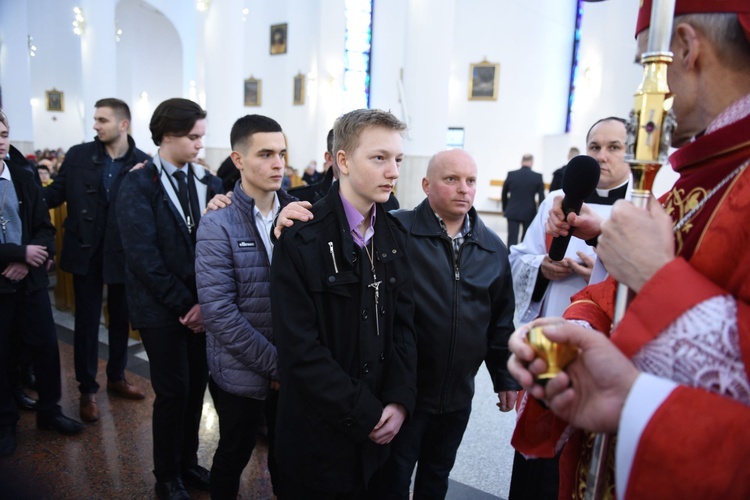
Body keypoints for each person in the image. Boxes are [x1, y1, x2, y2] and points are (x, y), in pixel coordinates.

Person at [509, 2, 750, 498]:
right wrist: (571, 330)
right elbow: (613, 294)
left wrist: (658, 277)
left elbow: (653, 278)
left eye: (646, 64)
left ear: (683, 48)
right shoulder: (701, 177)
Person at [270, 109, 417, 498]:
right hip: (318, 436)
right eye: (380, 158)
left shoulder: (396, 234)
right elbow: (299, 350)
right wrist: (364, 413)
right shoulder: (301, 236)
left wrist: (400, 401)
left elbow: (405, 326)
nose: (393, 172)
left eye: (398, 159)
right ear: (343, 161)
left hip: (382, 434)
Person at [375, 148, 518, 499]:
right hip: (405, 392)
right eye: (451, 179)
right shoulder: (397, 231)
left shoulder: (492, 249)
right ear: (426, 184)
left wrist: (505, 376)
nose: (463, 189)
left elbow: (500, 320)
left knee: (437, 474)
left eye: (470, 181)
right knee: (392, 476)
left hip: (457, 394)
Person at [507, 117, 629, 500]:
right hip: (554, 331)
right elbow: (518, 258)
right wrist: (541, 268)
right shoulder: (555, 202)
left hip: (608, 345)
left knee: (587, 445)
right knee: (540, 441)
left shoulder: (642, 210)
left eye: (614, 147)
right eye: (595, 147)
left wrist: (605, 269)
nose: (603, 156)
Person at [117, 98, 223, 500]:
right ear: (167, 135)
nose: (200, 145)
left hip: (201, 307)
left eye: (202, 136)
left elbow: (216, 245)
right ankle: (166, 476)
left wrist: (206, 304)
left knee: (197, 387)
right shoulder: (139, 182)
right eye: (193, 137)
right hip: (161, 308)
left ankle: (187, 462)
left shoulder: (208, 182)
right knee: (173, 391)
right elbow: (143, 256)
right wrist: (186, 306)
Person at [195, 114, 294, 499]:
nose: (277, 164)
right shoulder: (218, 222)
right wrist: (276, 365)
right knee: (234, 452)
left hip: (290, 365)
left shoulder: (300, 211)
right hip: (240, 369)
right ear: (238, 160)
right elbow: (219, 312)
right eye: (265, 154)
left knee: (287, 457)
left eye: (282, 154)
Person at [44, 98, 149, 423]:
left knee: (120, 320)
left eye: (102, 120)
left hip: (122, 254)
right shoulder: (78, 155)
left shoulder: (144, 162)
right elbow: (52, 195)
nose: (95, 125)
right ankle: (87, 389)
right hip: (85, 250)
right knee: (87, 324)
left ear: (123, 124)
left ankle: (116, 377)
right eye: (95, 119)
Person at [0, 110, 84, 457]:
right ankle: (5, 423)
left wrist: (31, 255)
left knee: (47, 350)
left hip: (30, 282)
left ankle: (50, 411)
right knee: (2, 355)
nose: (0, 140)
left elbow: (44, 228)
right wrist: (17, 253)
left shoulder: (21, 174)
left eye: (4, 133)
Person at [502, 154, 545, 246]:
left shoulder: (511, 174)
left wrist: (505, 208)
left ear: (521, 162)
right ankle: (521, 258)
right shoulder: (537, 176)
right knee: (526, 239)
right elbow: (542, 198)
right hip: (529, 211)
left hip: (512, 210)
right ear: (532, 162)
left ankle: (509, 258)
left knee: (512, 239)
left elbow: (504, 193)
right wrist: (541, 214)